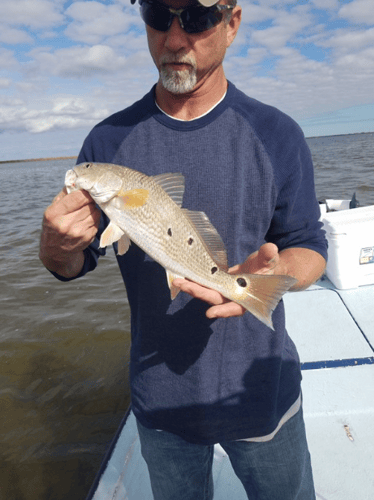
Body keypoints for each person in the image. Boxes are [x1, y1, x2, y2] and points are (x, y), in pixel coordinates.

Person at [39, 0, 327, 498]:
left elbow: (310, 245)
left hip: (259, 392)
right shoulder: (107, 141)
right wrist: (53, 246)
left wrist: (275, 272)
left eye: (195, 17)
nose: (174, 38)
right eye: (157, 14)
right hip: (161, 403)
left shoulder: (277, 134)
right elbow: (73, 263)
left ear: (232, 23)